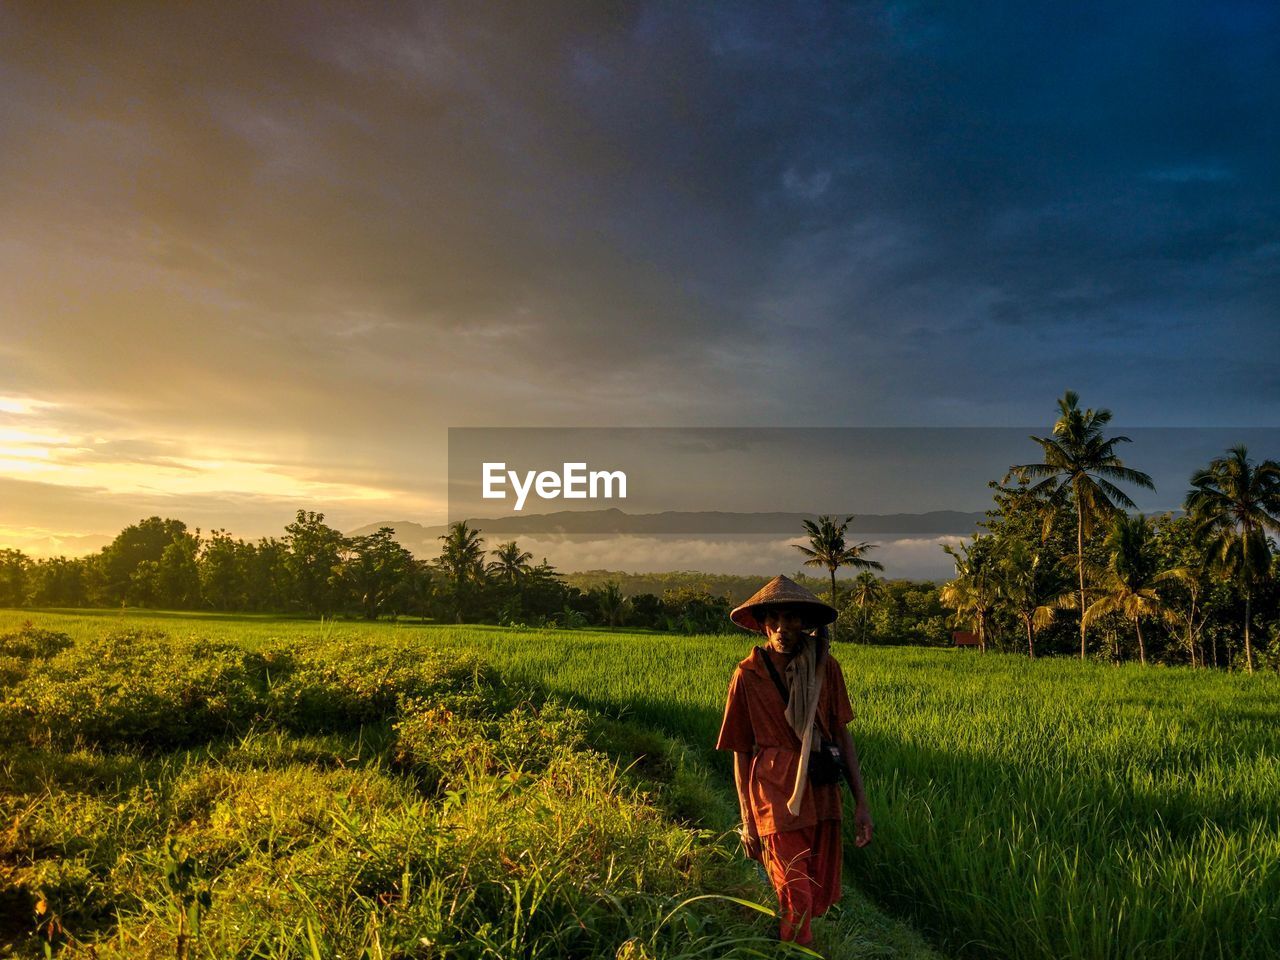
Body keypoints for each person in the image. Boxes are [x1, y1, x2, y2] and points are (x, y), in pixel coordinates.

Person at [715, 574, 873, 947]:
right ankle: (798, 951)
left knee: (813, 884)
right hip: (773, 794)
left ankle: (790, 942)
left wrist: (861, 803)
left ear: (805, 623)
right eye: (775, 619)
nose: (783, 628)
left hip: (819, 789)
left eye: (792, 619)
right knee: (794, 888)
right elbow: (741, 750)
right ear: (763, 623)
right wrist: (746, 819)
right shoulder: (747, 675)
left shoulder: (825, 668)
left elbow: (840, 735)